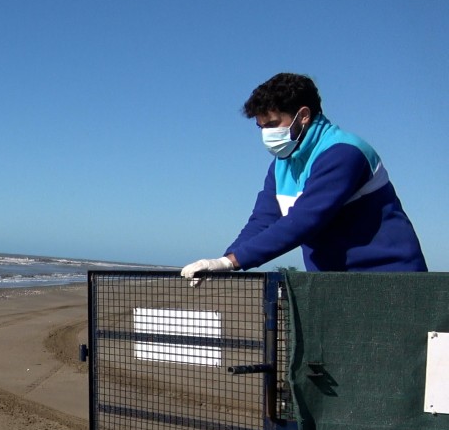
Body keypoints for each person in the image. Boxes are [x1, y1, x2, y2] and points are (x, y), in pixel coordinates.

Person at [181, 72, 427, 280]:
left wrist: (234, 262)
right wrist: (224, 260)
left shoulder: (343, 153)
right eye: (261, 127)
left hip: (391, 278)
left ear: (304, 115)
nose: (266, 134)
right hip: (333, 281)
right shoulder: (282, 163)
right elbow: (263, 220)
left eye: (273, 124)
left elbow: (303, 222)